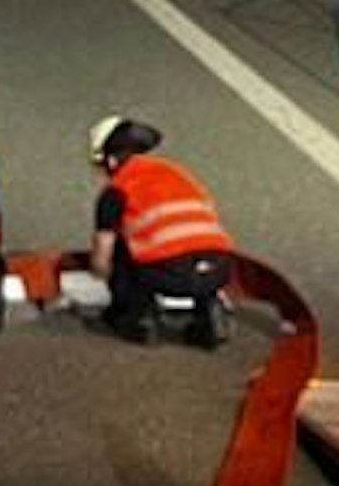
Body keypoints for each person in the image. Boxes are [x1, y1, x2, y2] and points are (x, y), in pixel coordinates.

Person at [87, 116, 235, 348]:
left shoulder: (117, 190)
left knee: (122, 246)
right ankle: (208, 312)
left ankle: (139, 318)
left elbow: (101, 258)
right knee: (192, 250)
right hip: (220, 268)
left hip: (169, 274)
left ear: (111, 160)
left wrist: (101, 275)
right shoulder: (176, 173)